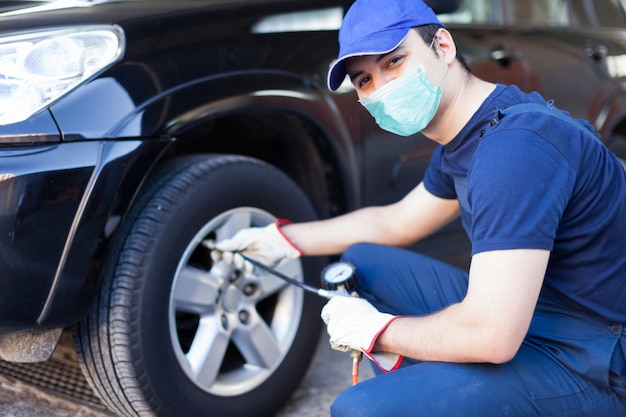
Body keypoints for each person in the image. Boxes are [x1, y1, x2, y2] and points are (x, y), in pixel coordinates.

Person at [213, 0, 626, 415]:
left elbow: (491, 336)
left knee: (361, 410)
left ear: (443, 46)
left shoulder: (513, 149)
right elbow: (396, 222)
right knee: (362, 264)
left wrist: (380, 332)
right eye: (364, 80)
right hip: (537, 311)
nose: (382, 88)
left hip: (598, 356)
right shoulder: (471, 134)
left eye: (394, 61)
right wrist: (281, 240)